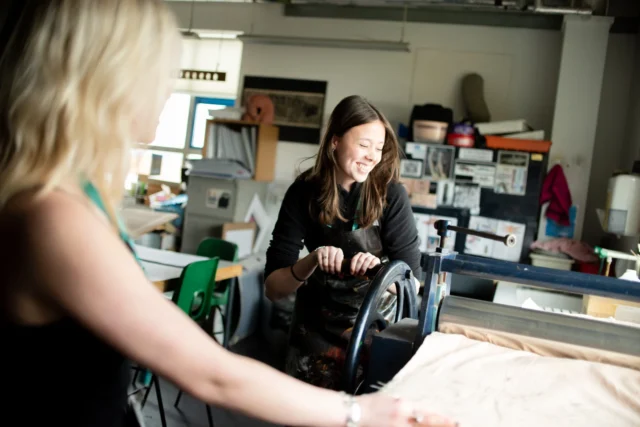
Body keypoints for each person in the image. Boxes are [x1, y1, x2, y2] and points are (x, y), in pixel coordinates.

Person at [0, 2, 456, 427]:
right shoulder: (54, 216)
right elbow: (212, 373)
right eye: (160, 72)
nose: (167, 88)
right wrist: (360, 413)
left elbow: (410, 276)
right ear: (108, 78)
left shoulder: (71, 198)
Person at [264, 95, 422, 391]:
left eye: (379, 148)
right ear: (335, 141)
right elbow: (273, 289)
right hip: (314, 332)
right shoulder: (303, 193)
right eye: (364, 145)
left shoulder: (391, 196)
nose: (372, 156)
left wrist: (381, 273)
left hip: (373, 331)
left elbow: (412, 288)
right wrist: (310, 261)